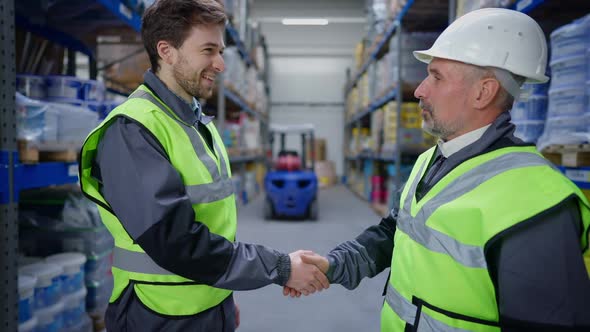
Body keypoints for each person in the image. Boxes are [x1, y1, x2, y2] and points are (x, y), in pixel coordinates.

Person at [288, 8, 590, 331]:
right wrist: (336, 264)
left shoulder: (536, 205)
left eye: (437, 76)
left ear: (483, 92)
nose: (419, 90)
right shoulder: (430, 160)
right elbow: (395, 232)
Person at [79, 0, 328, 330]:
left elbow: (211, 225)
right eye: (208, 50)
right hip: (157, 314)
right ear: (166, 51)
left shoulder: (197, 122)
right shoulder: (133, 130)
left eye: (221, 51)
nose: (221, 64)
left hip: (205, 304)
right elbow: (176, 242)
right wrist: (279, 267)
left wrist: (223, 296)